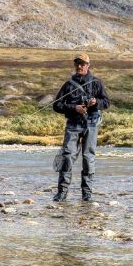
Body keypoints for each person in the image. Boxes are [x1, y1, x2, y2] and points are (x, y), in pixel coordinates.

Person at [51, 53, 110, 201]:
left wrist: (96, 102)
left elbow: (106, 102)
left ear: (88, 65)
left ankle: (87, 194)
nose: (79, 66)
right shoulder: (69, 84)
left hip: (91, 124)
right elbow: (56, 105)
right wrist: (74, 108)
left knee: (87, 157)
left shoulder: (97, 82)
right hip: (73, 124)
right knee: (68, 156)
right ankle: (62, 193)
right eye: (77, 63)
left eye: (82, 64)